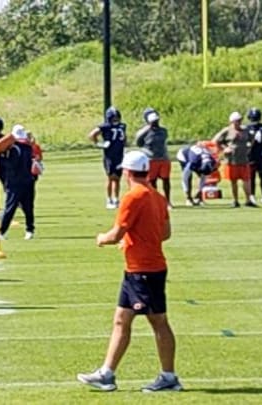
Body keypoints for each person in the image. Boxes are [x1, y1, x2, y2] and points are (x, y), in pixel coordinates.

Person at [77, 150, 181, 393]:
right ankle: (107, 373)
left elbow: (115, 234)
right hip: (139, 268)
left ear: (126, 172)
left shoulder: (133, 197)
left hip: (144, 270)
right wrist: (136, 239)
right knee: (121, 320)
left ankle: (169, 377)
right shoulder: (156, 196)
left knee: (159, 322)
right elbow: (165, 233)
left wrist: (101, 238)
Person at [0, 124, 36, 241]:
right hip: (28, 180)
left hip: (15, 181)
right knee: (28, 207)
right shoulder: (28, 147)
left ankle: (1, 232)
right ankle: (30, 230)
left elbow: (12, 164)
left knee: (10, 207)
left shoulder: (15, 148)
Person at [213, 112, 256, 208]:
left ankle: (248, 200)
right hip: (232, 160)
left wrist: (249, 147)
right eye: (237, 121)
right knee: (233, 181)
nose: (239, 122)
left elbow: (252, 139)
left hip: (244, 159)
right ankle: (235, 200)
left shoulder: (245, 130)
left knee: (247, 180)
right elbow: (216, 141)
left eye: (240, 120)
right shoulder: (227, 131)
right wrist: (224, 149)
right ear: (232, 121)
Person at [88, 107, 126, 209]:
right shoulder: (105, 126)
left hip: (120, 155)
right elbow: (92, 135)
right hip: (110, 155)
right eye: (113, 117)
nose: (115, 119)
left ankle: (116, 199)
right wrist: (99, 144)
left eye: (117, 117)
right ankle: (109, 199)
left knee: (118, 178)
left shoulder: (122, 126)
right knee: (111, 178)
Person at [137, 109, 172, 208]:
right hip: (151, 159)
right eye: (153, 122)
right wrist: (147, 130)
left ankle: (167, 201)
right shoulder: (143, 132)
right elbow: (139, 143)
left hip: (163, 158)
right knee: (152, 181)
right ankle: (155, 201)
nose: (155, 123)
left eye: (156, 121)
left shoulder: (163, 131)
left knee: (166, 180)